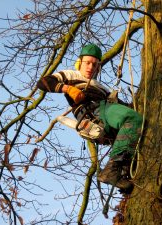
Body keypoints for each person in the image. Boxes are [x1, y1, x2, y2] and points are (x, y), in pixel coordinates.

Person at [37, 43, 143, 190]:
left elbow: (122, 108)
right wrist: (68, 88)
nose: (90, 67)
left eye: (95, 65)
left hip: (107, 113)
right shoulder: (71, 75)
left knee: (134, 123)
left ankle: (124, 170)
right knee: (133, 118)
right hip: (95, 111)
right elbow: (43, 82)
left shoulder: (101, 87)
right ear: (79, 62)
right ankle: (112, 169)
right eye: (87, 63)